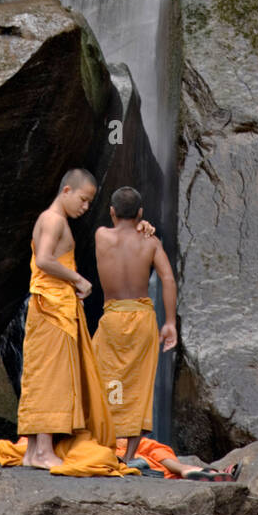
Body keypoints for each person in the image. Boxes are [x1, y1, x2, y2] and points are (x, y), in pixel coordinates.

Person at [17, 167, 108, 470]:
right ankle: (43, 451)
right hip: (52, 308)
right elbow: (44, 259)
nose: (85, 207)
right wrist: (78, 280)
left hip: (54, 306)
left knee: (42, 374)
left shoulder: (52, 219)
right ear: (66, 191)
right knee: (51, 377)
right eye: (83, 200)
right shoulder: (54, 219)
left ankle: (33, 452)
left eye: (89, 204)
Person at [92, 185, 177, 462]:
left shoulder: (101, 236)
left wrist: (140, 223)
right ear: (140, 213)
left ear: (112, 212)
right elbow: (167, 279)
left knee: (102, 379)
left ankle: (102, 445)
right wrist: (171, 323)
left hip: (112, 319)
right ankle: (127, 455)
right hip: (142, 320)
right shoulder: (151, 242)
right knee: (138, 387)